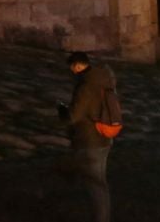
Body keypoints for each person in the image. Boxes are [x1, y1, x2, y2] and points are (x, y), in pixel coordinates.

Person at [55, 50, 121, 222]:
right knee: (95, 180)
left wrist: (62, 109)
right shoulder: (103, 80)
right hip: (104, 138)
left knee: (97, 184)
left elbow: (73, 116)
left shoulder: (87, 85)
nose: (72, 72)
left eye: (72, 68)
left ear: (77, 66)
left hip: (91, 140)